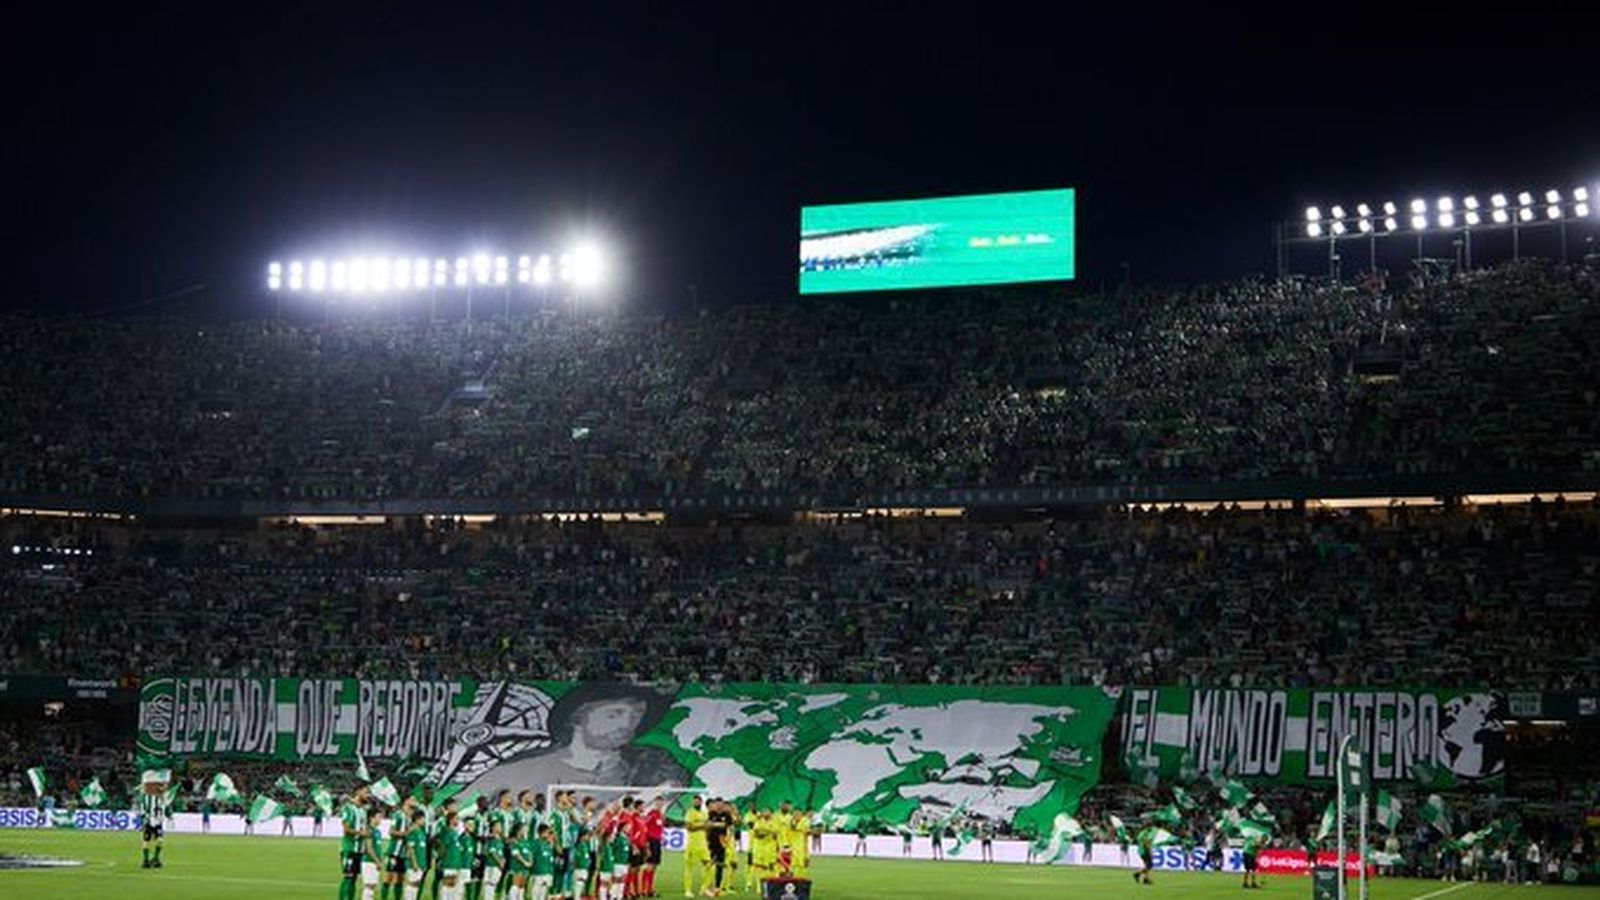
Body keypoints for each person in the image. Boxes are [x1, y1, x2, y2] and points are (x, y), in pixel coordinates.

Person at [462, 685, 686, 796]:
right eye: (614, 714)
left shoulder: (655, 768)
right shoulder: (516, 770)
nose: (628, 723)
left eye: (636, 714)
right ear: (577, 717)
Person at [339, 785, 372, 900]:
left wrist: (367, 832)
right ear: (357, 792)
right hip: (349, 848)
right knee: (348, 877)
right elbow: (346, 829)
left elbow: (364, 828)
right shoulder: (348, 808)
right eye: (365, 792)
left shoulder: (363, 810)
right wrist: (361, 833)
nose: (368, 795)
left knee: (354, 879)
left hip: (359, 849)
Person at [137, 772, 171, 870]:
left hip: (158, 821)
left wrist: (167, 814)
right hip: (149, 821)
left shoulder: (161, 798)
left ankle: (156, 858)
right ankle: (145, 860)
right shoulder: (146, 798)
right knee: (146, 841)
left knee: (160, 840)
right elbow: (143, 810)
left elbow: (165, 808)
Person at [385, 797, 415, 900]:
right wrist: (406, 833)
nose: (415, 802)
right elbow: (391, 832)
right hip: (394, 852)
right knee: (389, 877)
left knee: (401, 879)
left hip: (404, 853)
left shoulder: (411, 817)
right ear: (406, 801)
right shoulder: (398, 815)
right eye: (412, 800)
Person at [683, 796, 712, 897]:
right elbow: (688, 827)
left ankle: (704, 889)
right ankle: (687, 890)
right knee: (689, 868)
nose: (696, 803)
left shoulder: (704, 813)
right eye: (694, 801)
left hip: (703, 844)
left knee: (709, 865)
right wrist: (702, 826)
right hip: (692, 844)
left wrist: (707, 838)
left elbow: (707, 827)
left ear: (701, 802)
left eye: (698, 801)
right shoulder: (689, 812)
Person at [641, 797, 665, 897]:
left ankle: (650, 889)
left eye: (661, 803)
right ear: (654, 803)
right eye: (657, 803)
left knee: (654, 866)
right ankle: (643, 889)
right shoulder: (651, 814)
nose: (659, 805)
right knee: (649, 866)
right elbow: (644, 827)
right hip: (651, 841)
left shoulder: (660, 815)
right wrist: (646, 844)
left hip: (657, 841)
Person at [405, 809, 431, 900]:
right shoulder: (413, 831)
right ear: (417, 819)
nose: (424, 821)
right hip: (414, 864)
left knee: (416, 885)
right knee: (411, 884)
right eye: (423, 819)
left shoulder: (421, 831)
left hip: (421, 863)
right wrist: (414, 863)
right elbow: (410, 848)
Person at [508, 822, 534, 900]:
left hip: (525, 867)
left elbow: (529, 852)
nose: (526, 831)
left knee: (522, 885)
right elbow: (515, 854)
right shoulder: (514, 841)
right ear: (518, 830)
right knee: (516, 884)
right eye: (524, 829)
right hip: (517, 866)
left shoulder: (525, 841)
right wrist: (524, 862)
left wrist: (530, 862)